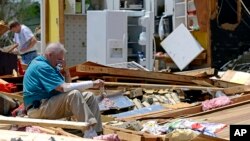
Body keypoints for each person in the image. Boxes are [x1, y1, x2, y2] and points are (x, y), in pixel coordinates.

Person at [23, 42, 104, 137]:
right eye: (59, 59)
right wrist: (92, 83)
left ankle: (98, 133)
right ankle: (89, 133)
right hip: (38, 109)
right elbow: (64, 88)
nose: (61, 62)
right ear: (50, 55)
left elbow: (66, 86)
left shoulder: (50, 65)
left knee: (89, 96)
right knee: (74, 94)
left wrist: (66, 71)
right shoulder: (41, 66)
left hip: (48, 104)